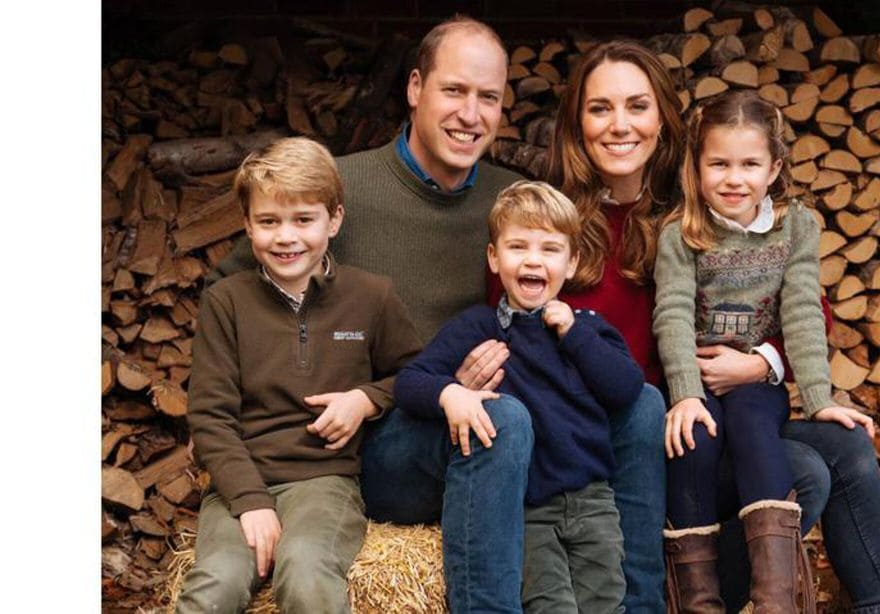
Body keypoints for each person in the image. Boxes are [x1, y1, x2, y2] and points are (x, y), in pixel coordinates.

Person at [207, 17, 666, 614]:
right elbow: (234, 293)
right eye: (454, 91)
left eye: (488, 98)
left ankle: (641, 604)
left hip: (494, 425)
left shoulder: (512, 199)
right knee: (503, 421)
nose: (470, 115)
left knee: (641, 406)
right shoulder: (340, 190)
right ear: (416, 87)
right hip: (383, 442)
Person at [545, 41, 880, 614]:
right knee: (806, 473)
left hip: (732, 397)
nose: (620, 125)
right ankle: (718, 600)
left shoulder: (703, 201)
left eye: (637, 106)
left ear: (663, 120)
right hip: (650, 429)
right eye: (600, 108)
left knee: (846, 445)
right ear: (576, 121)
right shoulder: (555, 224)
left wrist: (762, 361)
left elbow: (809, 308)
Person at [652, 90, 880, 614]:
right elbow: (672, 313)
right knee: (693, 440)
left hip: (757, 384)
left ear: (774, 169)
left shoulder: (796, 227)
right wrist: (684, 394)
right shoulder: (682, 234)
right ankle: (696, 601)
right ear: (696, 167)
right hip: (697, 384)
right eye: (718, 164)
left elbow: (803, 314)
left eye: (750, 164)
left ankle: (776, 600)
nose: (733, 178)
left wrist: (818, 399)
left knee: (752, 424)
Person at [179, 137, 422, 613]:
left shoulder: (371, 296)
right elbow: (209, 416)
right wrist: (251, 502)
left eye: (303, 220)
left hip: (325, 481)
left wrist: (366, 399)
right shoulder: (226, 302)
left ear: (334, 220)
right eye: (269, 221)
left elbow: (413, 373)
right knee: (214, 585)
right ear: (248, 226)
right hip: (240, 481)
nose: (286, 237)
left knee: (306, 570)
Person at [397, 180, 643, 613]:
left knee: (606, 602)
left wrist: (572, 333)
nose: (533, 260)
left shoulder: (588, 328)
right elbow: (411, 381)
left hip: (593, 501)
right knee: (551, 605)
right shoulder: (478, 327)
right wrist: (450, 393)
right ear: (495, 258)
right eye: (518, 247)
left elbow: (625, 389)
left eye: (550, 249)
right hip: (530, 507)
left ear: (572, 263)